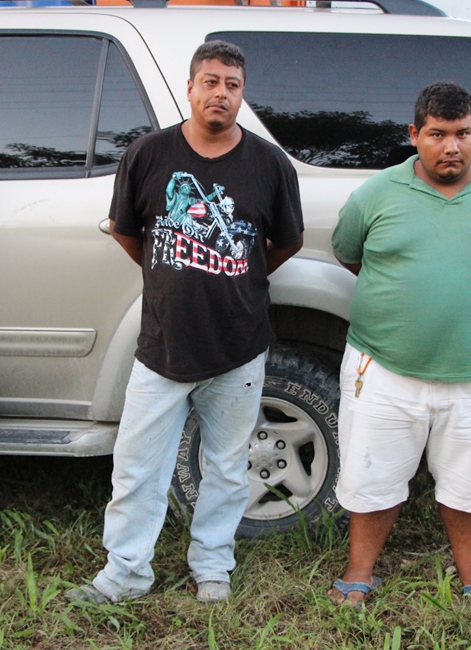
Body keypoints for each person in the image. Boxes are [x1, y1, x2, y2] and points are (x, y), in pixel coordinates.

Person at [67, 41, 304, 604]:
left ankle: (212, 567)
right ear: (191, 87)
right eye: (211, 81)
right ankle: (124, 575)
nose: (221, 93)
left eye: (233, 85)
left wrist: (237, 277)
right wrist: (172, 273)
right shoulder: (148, 154)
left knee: (225, 467)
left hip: (240, 346)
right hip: (162, 346)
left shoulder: (269, 164)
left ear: (241, 95)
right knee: (136, 468)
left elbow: (286, 241)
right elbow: (128, 232)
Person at [327, 81, 471, 610]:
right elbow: (349, 253)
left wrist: (466, 292)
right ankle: (357, 577)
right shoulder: (376, 194)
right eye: (437, 134)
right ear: (414, 135)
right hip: (381, 368)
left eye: (462, 134)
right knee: (372, 477)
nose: (451, 147)